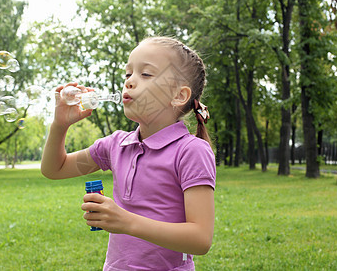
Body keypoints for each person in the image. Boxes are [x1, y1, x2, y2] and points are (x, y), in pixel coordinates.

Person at [41, 36, 216, 271]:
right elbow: (55, 169)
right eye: (128, 74)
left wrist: (125, 221)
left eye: (145, 74)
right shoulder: (115, 145)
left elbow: (200, 239)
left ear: (179, 96)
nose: (129, 82)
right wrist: (59, 125)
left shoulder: (191, 151)